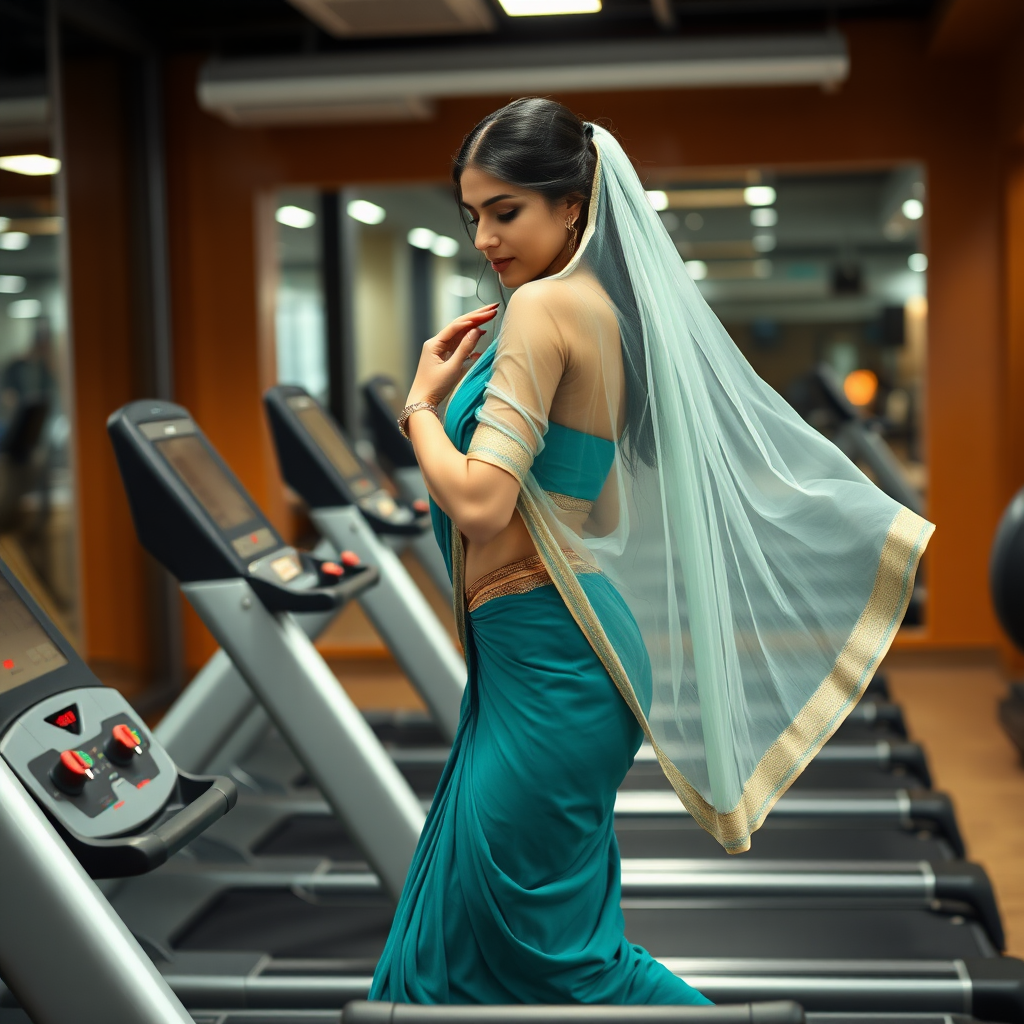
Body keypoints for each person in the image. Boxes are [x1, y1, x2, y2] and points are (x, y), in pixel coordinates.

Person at [371, 98, 934, 1005]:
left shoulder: (544, 309)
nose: (482, 238)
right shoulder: (602, 315)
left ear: (572, 204)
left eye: (504, 211)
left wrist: (423, 411)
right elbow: (593, 510)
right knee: (494, 928)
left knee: (553, 952)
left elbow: (480, 503)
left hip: (550, 659)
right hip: (554, 654)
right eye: (471, 214)